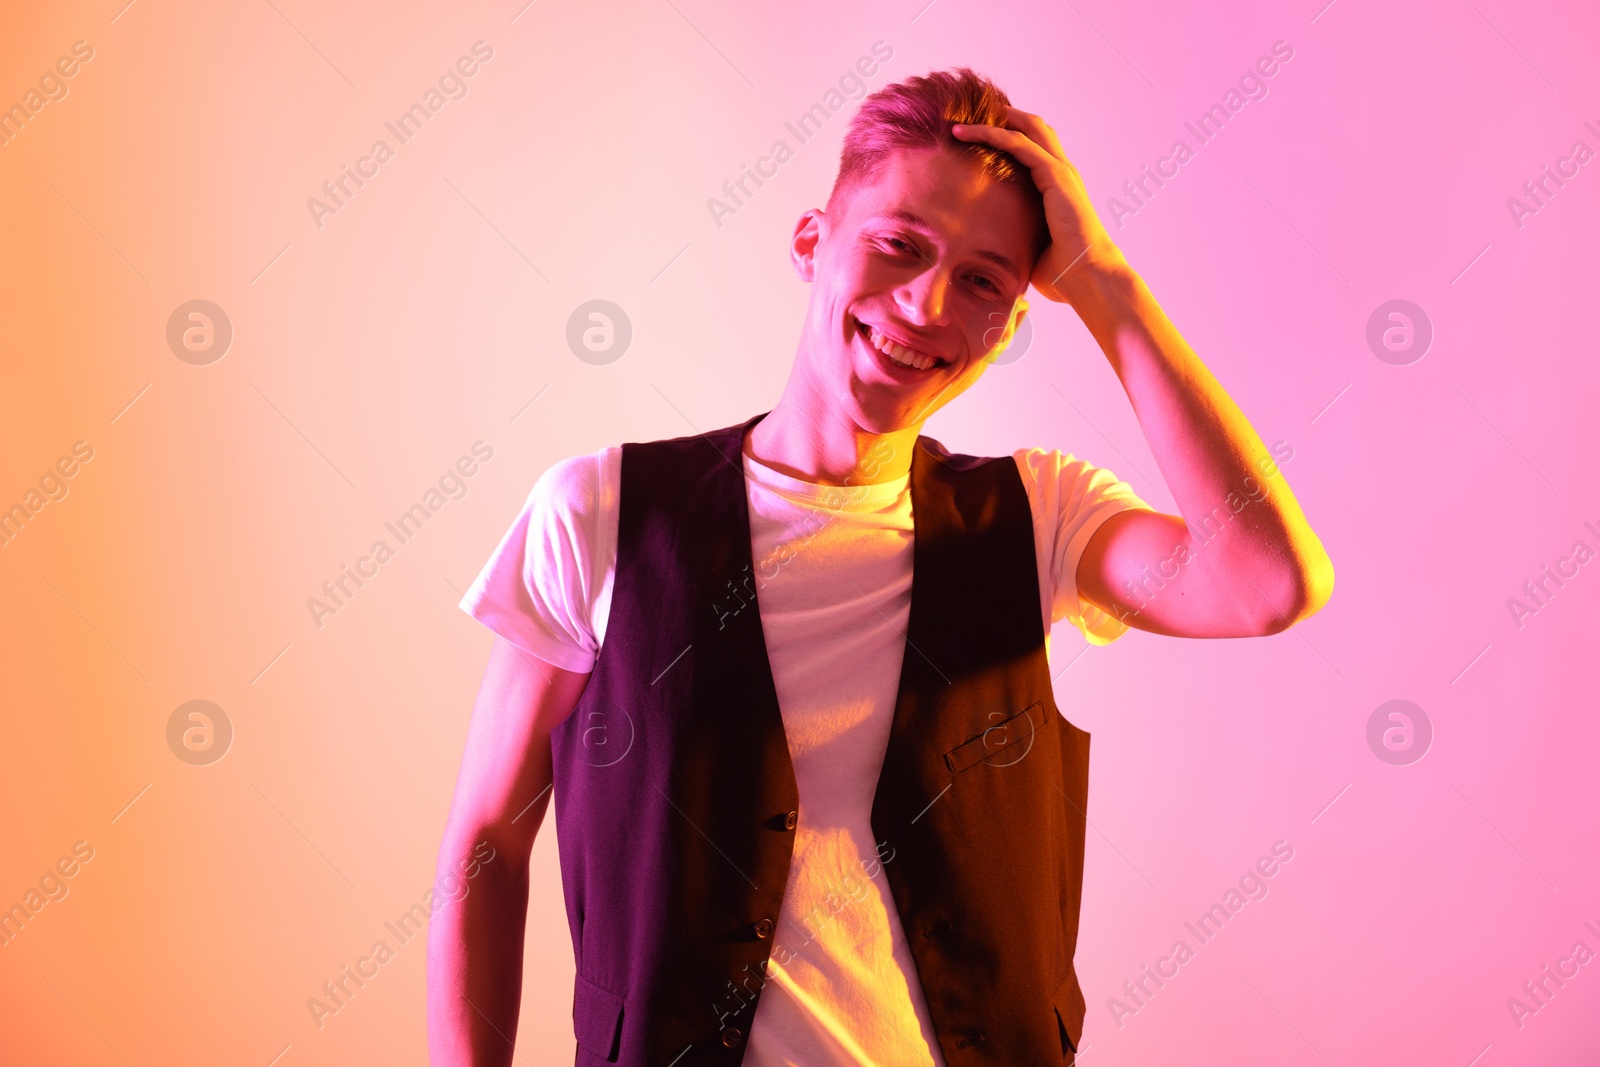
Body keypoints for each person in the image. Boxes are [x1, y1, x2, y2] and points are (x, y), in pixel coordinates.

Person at [426, 67, 1333, 1067]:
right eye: (898, 245)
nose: (924, 305)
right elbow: (487, 841)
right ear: (812, 241)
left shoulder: (1039, 515)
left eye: (984, 279)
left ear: (1014, 319)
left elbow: (1267, 583)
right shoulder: (600, 511)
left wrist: (1105, 286)